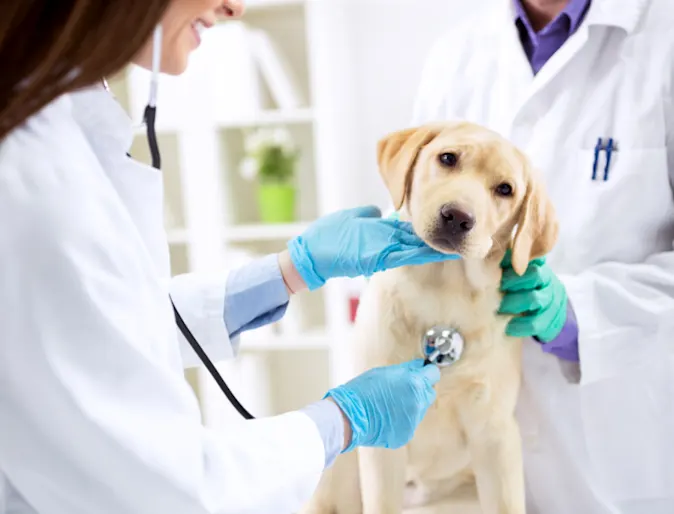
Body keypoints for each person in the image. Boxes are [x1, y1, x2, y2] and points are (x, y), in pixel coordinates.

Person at [0, 1, 462, 513]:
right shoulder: (31, 177)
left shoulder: (59, 124)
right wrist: (344, 419)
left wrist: (290, 271)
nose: (236, 6)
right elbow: (172, 492)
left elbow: (98, 326)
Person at [412, 0, 674, 512]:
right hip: (473, 471)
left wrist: (578, 315)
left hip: (627, 459)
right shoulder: (456, 54)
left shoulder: (663, 39)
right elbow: (420, 208)